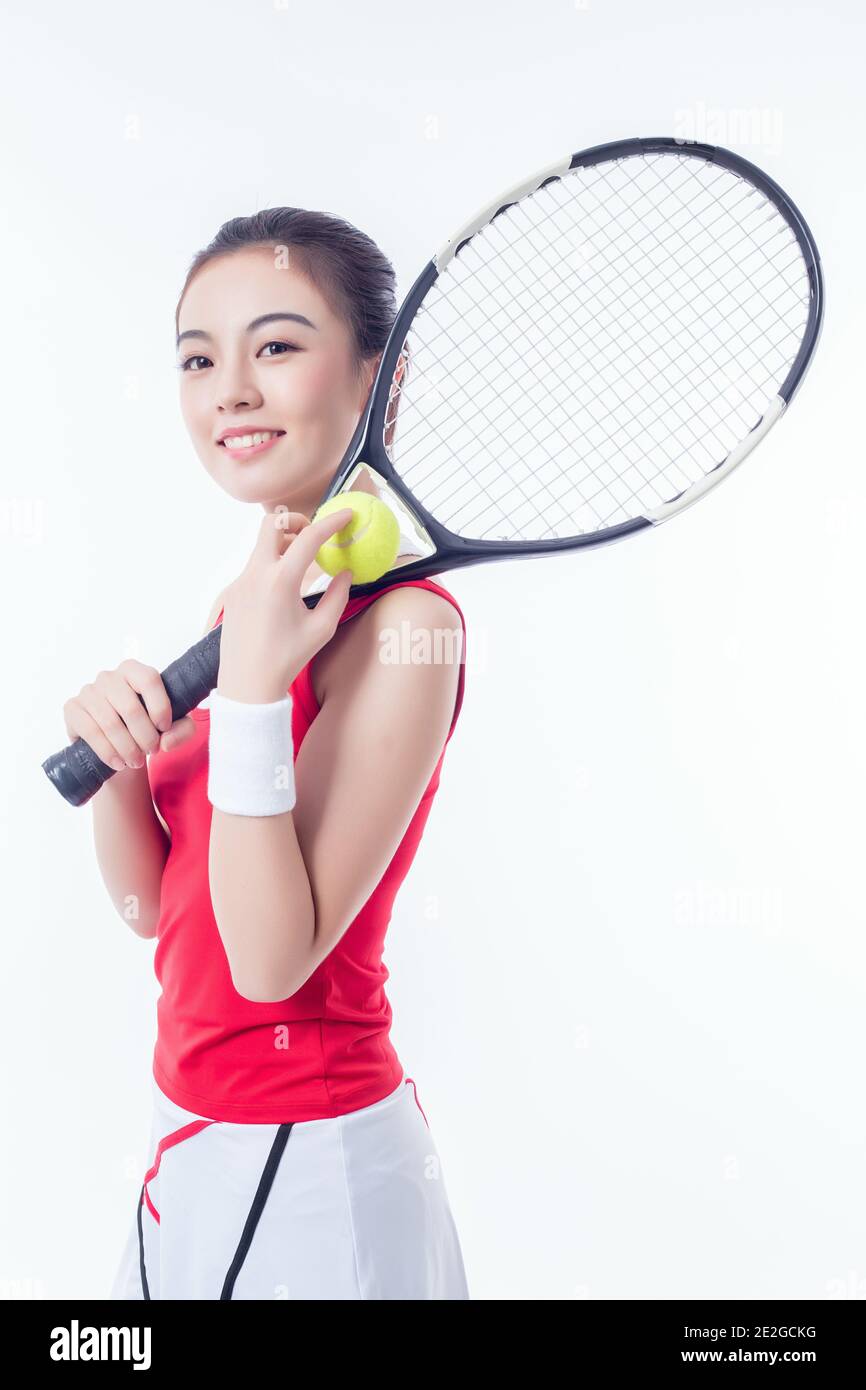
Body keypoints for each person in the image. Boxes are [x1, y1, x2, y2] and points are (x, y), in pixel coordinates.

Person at [63, 208, 470, 1299]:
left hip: (310, 1166)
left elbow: (269, 962)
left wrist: (244, 691)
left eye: (276, 346)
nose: (228, 389)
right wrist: (112, 767)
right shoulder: (249, 610)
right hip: (187, 1138)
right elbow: (159, 913)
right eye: (199, 358)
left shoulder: (409, 632)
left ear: (380, 383)